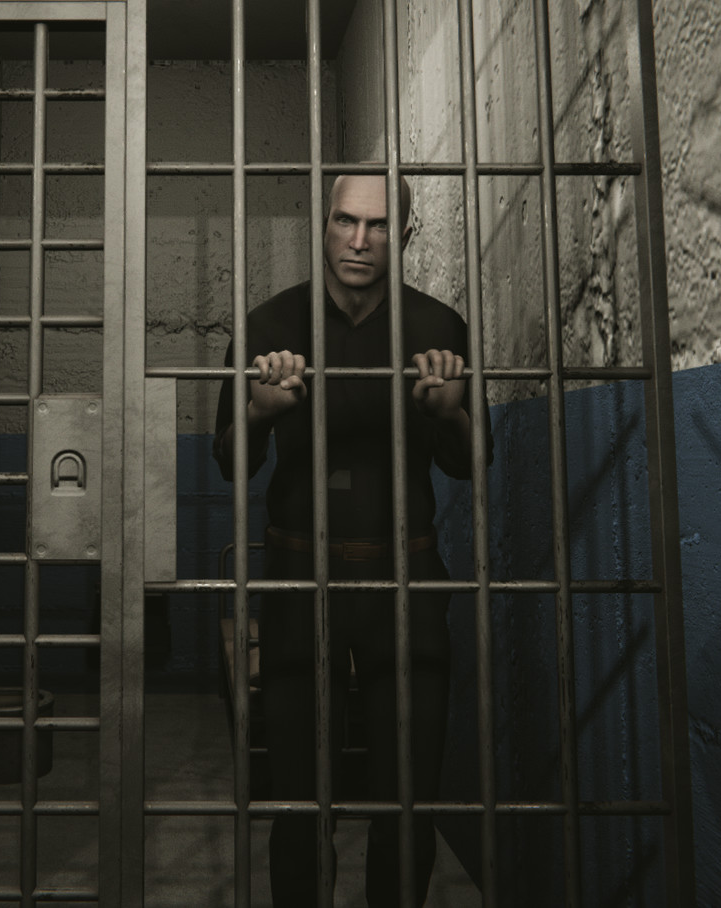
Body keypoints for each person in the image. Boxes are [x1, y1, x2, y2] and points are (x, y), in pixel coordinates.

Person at [215, 173, 488, 907]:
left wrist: (451, 413)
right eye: (345, 221)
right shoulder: (270, 325)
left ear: (405, 233)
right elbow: (229, 464)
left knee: (409, 797)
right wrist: (260, 412)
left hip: (407, 576)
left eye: (378, 225)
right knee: (300, 801)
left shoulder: (438, 327)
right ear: (324, 223)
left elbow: (471, 462)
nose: (359, 241)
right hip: (298, 580)